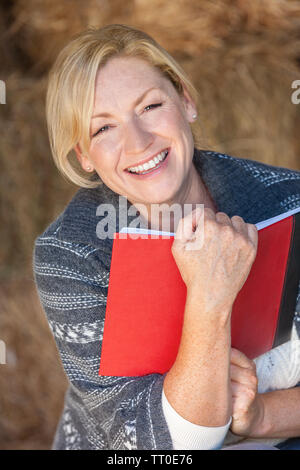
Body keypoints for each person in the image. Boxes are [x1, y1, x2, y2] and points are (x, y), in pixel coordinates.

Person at [33, 24, 300, 450]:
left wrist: (265, 417)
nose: (137, 142)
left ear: (186, 101)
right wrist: (210, 299)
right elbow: (158, 448)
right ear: (83, 155)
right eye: (103, 129)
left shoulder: (291, 201)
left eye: (150, 106)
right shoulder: (70, 254)